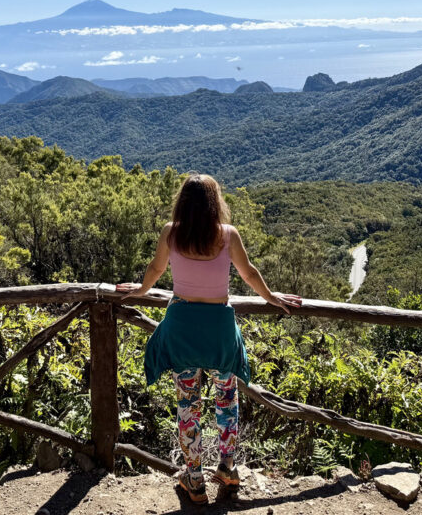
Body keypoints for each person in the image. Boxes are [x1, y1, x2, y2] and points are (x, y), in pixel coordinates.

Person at [117, 173, 302, 504]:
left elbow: (155, 269)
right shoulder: (227, 236)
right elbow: (249, 274)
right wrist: (272, 297)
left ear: (182, 204)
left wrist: (141, 290)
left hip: (182, 328)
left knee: (187, 404)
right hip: (218, 331)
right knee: (227, 399)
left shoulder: (171, 233)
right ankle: (229, 469)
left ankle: (195, 479)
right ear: (216, 204)